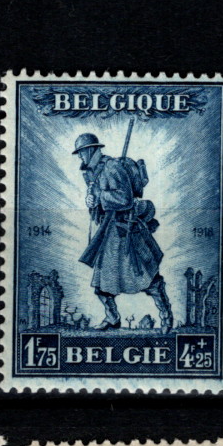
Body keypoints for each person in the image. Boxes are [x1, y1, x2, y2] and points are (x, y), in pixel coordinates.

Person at [73, 131, 174, 330]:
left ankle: (166, 316)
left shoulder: (112, 167)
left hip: (126, 230)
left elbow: (125, 199)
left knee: (148, 279)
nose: (80, 157)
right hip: (109, 232)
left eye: (82, 152)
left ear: (91, 150)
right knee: (101, 284)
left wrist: (100, 196)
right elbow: (101, 205)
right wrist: (92, 203)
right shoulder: (94, 173)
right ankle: (112, 318)